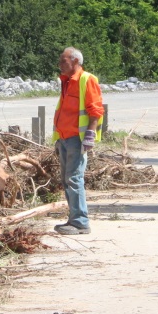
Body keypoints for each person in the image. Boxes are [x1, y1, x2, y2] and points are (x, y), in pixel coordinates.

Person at [52, 47, 104, 235]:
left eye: (63, 60)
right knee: (67, 180)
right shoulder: (66, 82)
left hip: (77, 139)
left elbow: (96, 110)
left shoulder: (86, 79)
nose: (60, 64)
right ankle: (74, 219)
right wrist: (58, 138)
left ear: (75, 61)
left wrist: (90, 135)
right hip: (65, 138)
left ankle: (80, 222)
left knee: (74, 179)